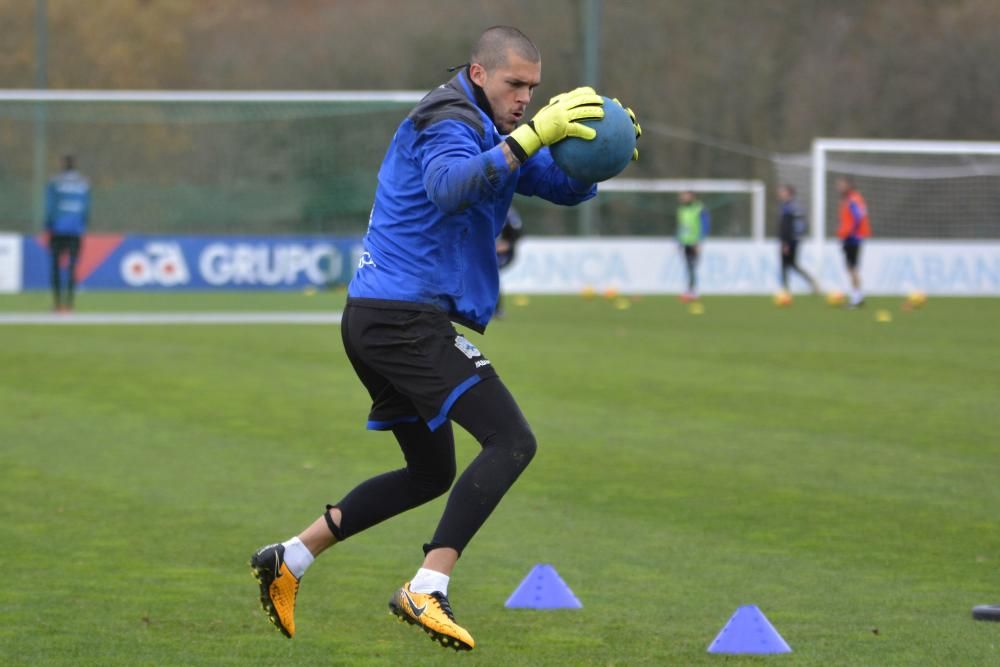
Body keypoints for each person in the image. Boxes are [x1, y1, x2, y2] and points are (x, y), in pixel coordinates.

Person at [250, 26, 639, 652]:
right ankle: (427, 587)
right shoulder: (448, 118)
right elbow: (450, 185)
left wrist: (602, 155)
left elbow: (554, 183)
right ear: (480, 74)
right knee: (511, 440)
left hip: (385, 319)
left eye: (534, 90)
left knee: (429, 472)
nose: (525, 99)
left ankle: (289, 558)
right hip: (400, 318)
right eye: (516, 85)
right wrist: (533, 134)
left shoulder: (494, 128)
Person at [46, 154, 90, 312]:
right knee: (72, 267)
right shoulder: (83, 183)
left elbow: (49, 207)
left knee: (55, 267)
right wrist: (83, 225)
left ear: (63, 164)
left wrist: (48, 226)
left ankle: (58, 304)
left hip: (58, 230)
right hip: (75, 231)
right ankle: (70, 304)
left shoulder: (55, 182)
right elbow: (86, 208)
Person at [836, 176, 871, 308]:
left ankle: (857, 299)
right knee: (851, 268)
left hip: (852, 238)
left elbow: (858, 216)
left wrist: (850, 233)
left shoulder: (852, 199)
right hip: (850, 237)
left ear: (848, 185)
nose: (838, 187)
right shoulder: (849, 199)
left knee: (852, 268)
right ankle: (857, 297)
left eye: (841, 184)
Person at [777, 185, 820, 293]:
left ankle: (785, 290)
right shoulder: (793, 206)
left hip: (789, 241)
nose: (781, 193)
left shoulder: (788, 208)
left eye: (783, 191)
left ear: (789, 193)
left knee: (785, 264)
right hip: (794, 240)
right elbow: (802, 225)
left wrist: (786, 242)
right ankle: (810, 282)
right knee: (792, 264)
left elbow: (788, 227)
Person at [676, 190, 709, 301]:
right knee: (688, 266)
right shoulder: (681, 209)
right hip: (685, 241)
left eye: (685, 196)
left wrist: (699, 241)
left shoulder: (699, 208)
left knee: (692, 265)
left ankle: (693, 291)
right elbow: (681, 226)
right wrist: (679, 241)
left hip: (694, 242)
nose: (682, 198)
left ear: (691, 197)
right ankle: (689, 290)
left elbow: (705, 224)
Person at [494, 206, 524, 317]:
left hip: (503, 254)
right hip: (486, 251)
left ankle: (496, 310)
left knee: (491, 273)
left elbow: (518, 233)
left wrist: (507, 244)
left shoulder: (509, 213)